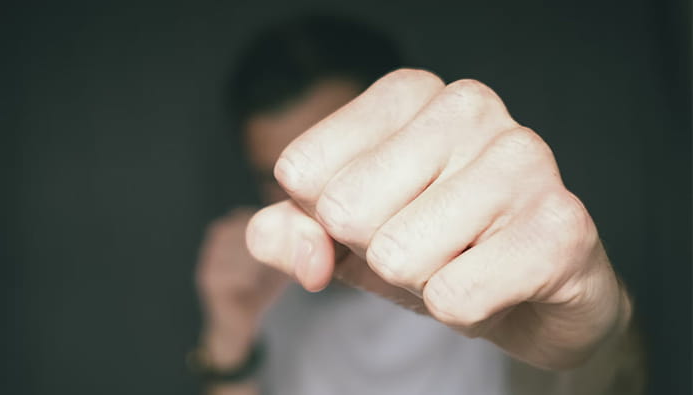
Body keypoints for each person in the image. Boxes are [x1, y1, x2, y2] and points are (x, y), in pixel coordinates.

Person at [191, 14, 643, 395]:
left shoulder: (491, 261)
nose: (309, 205)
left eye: (336, 161)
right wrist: (230, 344)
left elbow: (609, 378)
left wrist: (591, 329)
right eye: (276, 180)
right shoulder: (263, 293)